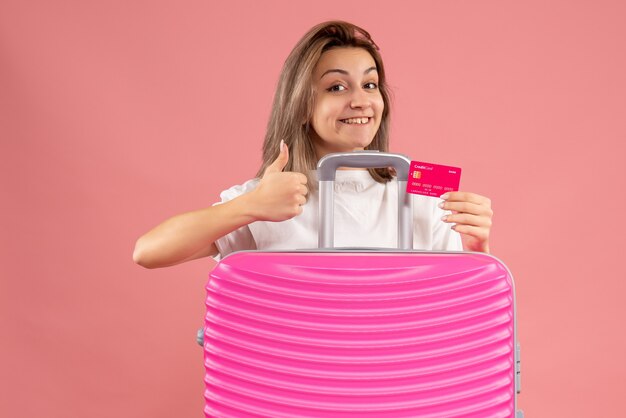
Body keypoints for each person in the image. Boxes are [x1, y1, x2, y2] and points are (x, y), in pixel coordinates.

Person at [133, 21, 493, 269]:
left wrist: (478, 250)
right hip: (297, 378)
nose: (361, 101)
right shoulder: (268, 199)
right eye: (337, 87)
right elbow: (148, 252)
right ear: (302, 107)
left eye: (370, 85)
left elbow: (457, 310)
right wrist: (250, 206)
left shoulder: (425, 192)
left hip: (399, 377)